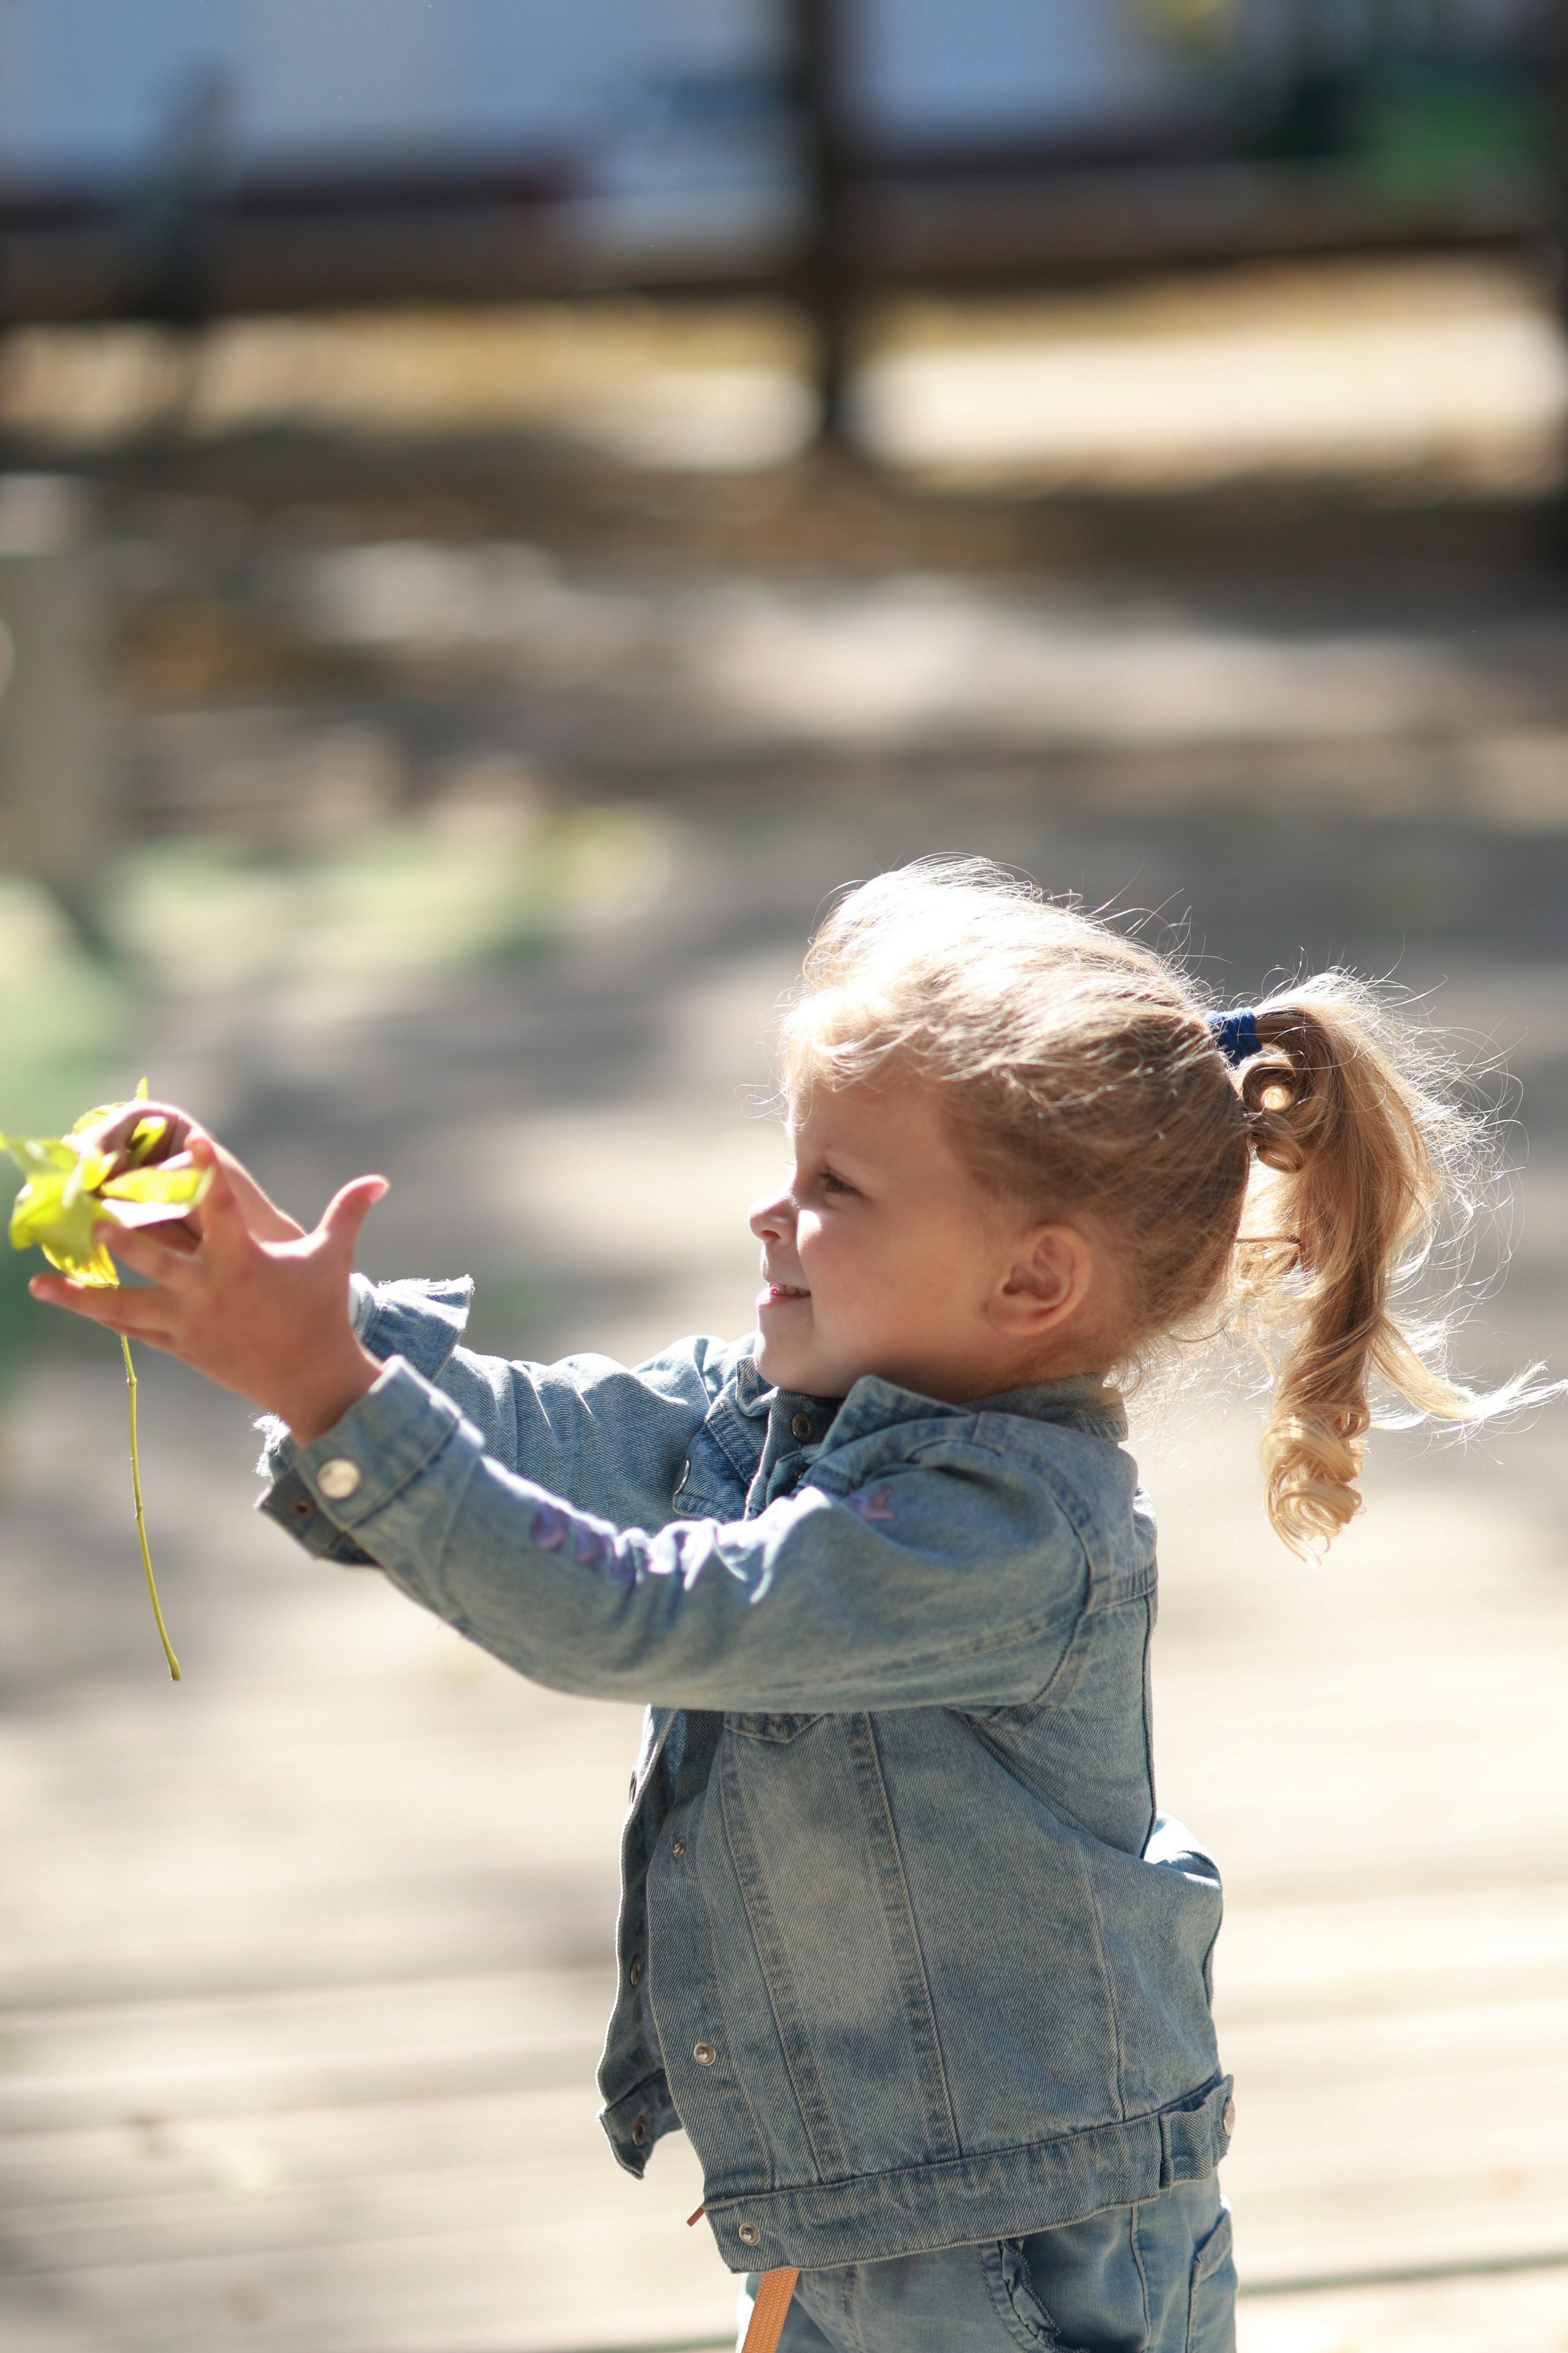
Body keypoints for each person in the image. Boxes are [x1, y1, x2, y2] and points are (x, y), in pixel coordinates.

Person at [32, 859, 1539, 2353]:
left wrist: (326, 1389)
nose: (769, 1211)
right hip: (857, 2219)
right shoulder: (765, 1412)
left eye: (834, 1184)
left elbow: (635, 1614)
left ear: (1032, 1279)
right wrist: (290, 1305)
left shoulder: (1004, 1532)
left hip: (1022, 2260)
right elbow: (536, 1428)